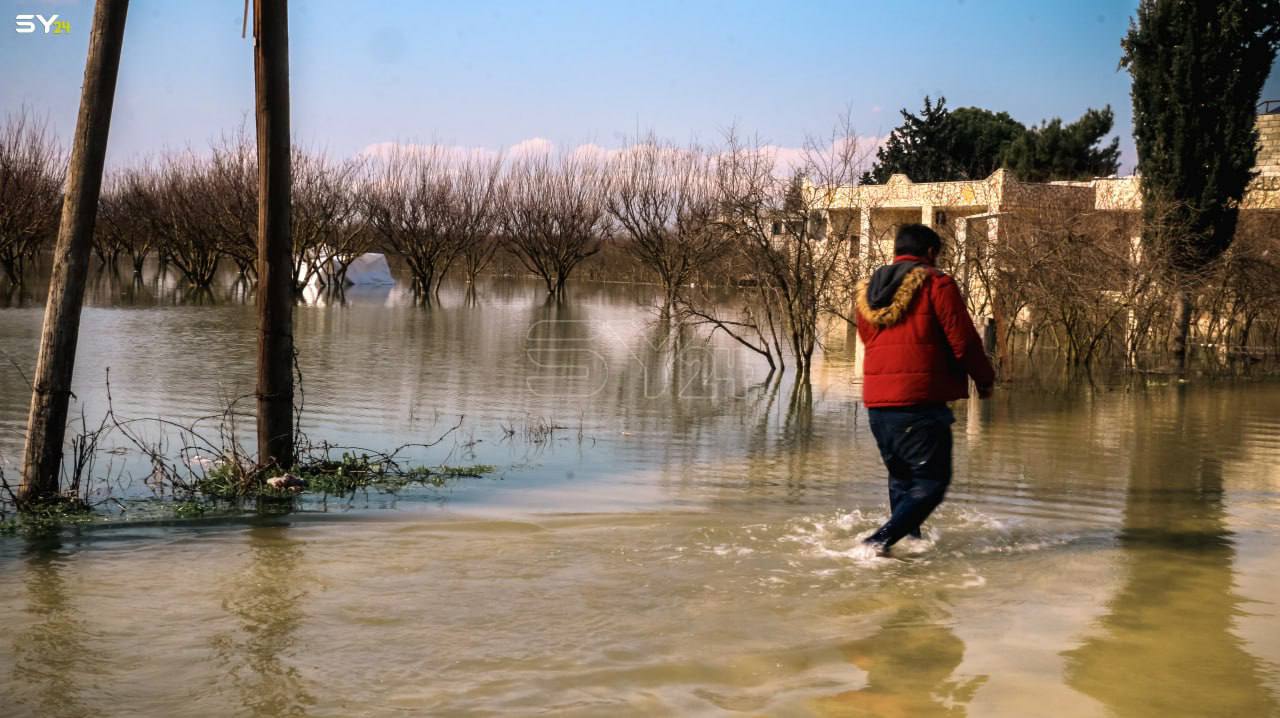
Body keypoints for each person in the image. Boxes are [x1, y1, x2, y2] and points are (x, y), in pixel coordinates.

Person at [854, 223, 995, 555]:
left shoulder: (868, 293)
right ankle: (877, 542)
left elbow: (869, 341)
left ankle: (909, 546)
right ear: (930, 253)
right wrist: (985, 379)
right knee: (932, 483)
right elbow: (963, 342)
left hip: (878, 405)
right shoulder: (936, 284)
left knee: (902, 480)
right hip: (919, 402)